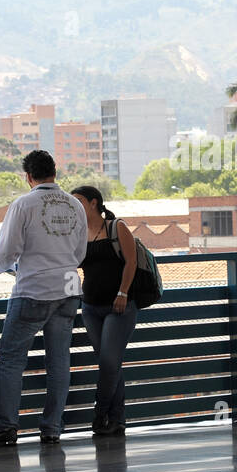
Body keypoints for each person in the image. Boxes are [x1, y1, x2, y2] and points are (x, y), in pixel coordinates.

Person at [0, 150, 87, 446]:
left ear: (28, 176)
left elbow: (5, 253)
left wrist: (5, 265)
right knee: (59, 361)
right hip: (67, 289)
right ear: (55, 171)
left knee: (12, 360)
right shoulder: (75, 204)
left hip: (33, 290)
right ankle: (52, 427)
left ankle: (6, 427)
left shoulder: (23, 204)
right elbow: (80, 253)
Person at [72, 185, 140, 436]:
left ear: (93, 202)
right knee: (110, 364)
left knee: (110, 362)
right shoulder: (78, 233)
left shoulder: (116, 226)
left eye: (78, 200)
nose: (74, 205)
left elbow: (131, 262)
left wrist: (123, 292)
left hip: (119, 306)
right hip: (90, 307)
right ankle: (117, 419)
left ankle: (99, 413)